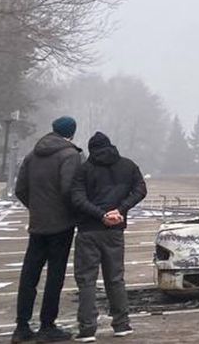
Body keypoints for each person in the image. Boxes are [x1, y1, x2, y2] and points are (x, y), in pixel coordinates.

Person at [69, 132, 146, 341]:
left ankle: (87, 328)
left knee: (87, 281)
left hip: (89, 231)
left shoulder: (84, 170)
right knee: (115, 279)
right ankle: (121, 324)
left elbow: (77, 198)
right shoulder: (128, 166)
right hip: (115, 231)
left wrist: (100, 215)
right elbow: (140, 190)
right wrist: (120, 210)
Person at [12, 117, 83, 343]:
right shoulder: (70, 155)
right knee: (55, 276)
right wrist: (74, 214)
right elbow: (68, 189)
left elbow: (21, 189)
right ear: (71, 133)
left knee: (29, 275)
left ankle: (21, 326)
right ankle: (47, 325)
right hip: (61, 225)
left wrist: (37, 208)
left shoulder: (32, 155)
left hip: (38, 224)